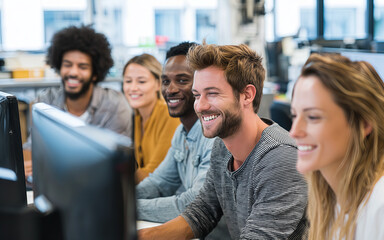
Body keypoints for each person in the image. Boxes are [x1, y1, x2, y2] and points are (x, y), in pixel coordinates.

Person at [138, 43, 308, 240]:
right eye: (196, 95)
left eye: (212, 93)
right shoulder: (223, 145)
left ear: (247, 95)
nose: (200, 106)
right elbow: (201, 214)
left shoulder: (280, 157)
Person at [290, 53, 384, 240]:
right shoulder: (331, 202)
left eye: (313, 117)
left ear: (363, 124)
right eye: (294, 115)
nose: (294, 132)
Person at [135, 42, 230, 239]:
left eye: (182, 80)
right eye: (166, 81)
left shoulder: (214, 137)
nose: (170, 89)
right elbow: (160, 183)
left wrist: (128, 207)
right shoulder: (182, 132)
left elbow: (190, 204)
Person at [24, 25, 132, 177]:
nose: (73, 72)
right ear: (59, 67)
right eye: (67, 65)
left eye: (82, 67)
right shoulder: (45, 102)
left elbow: (114, 163)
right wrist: (28, 166)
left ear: (95, 74)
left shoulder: (114, 105)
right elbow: (31, 147)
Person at [122, 53, 180, 183]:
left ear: (158, 84)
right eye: (128, 81)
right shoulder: (136, 115)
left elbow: (155, 174)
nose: (133, 88)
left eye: (141, 81)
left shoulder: (168, 114)